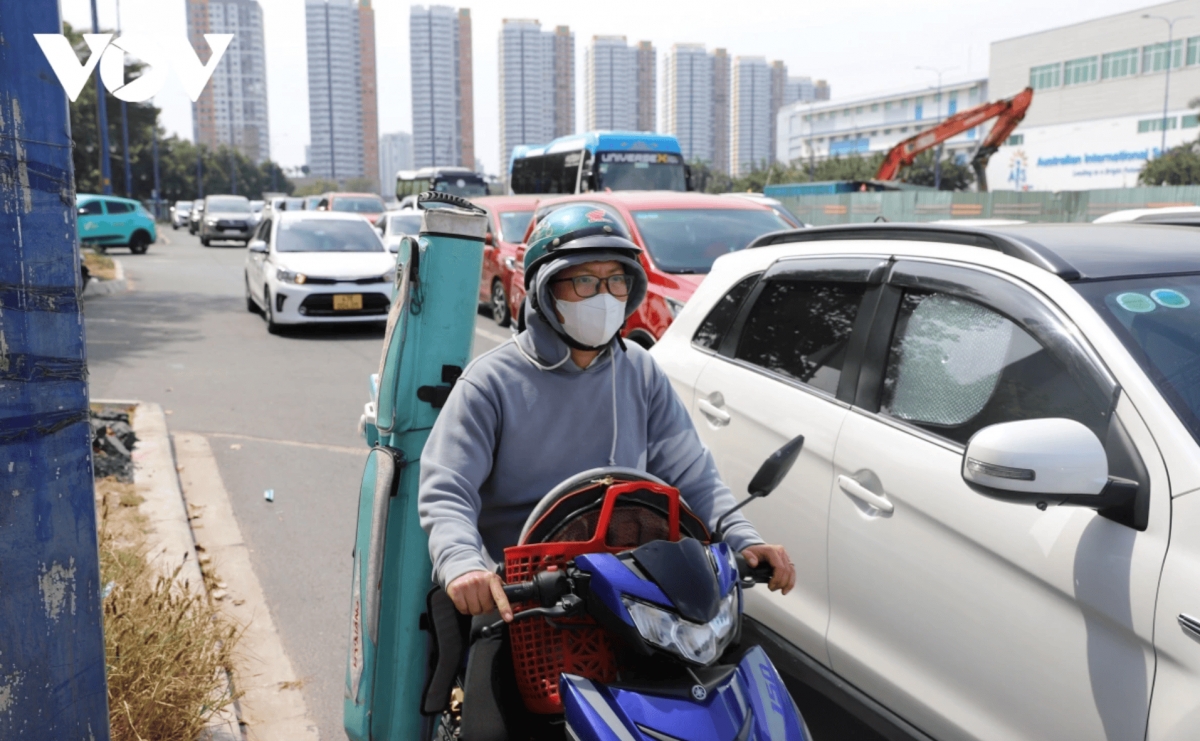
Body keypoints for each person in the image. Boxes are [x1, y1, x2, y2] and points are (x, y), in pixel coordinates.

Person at [418, 203, 796, 625]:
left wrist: (742, 536)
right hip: (522, 598)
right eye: (585, 281)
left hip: (634, 589)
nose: (605, 295)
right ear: (545, 289)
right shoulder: (491, 381)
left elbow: (693, 473)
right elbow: (448, 490)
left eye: (616, 280)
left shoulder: (639, 368)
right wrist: (463, 563)